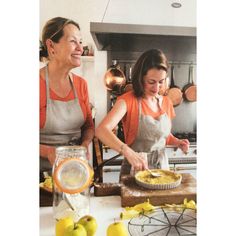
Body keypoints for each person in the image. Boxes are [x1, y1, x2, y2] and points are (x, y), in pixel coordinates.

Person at [95, 49, 189, 174]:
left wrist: (177, 142)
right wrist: (127, 152)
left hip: (162, 169)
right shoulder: (127, 100)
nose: (156, 88)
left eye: (161, 82)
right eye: (151, 82)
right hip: (135, 170)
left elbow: (162, 136)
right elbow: (101, 130)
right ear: (140, 78)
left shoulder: (166, 102)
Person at [40, 17, 94, 177]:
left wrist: (85, 144)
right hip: (40, 177)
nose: (80, 48)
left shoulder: (81, 84)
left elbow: (88, 127)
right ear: (51, 46)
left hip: (73, 173)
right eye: (73, 41)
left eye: (81, 42)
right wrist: (48, 151)